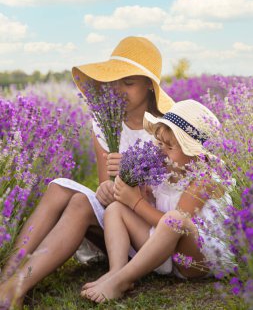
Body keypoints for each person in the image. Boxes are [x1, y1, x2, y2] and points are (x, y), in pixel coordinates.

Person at [0, 36, 174, 308]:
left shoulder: (165, 130)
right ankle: (6, 277)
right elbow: (107, 189)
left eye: (128, 83)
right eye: (115, 82)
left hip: (149, 232)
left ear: (149, 87)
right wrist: (106, 188)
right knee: (58, 187)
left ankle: (16, 288)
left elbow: (168, 198)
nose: (119, 90)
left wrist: (131, 185)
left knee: (81, 202)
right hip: (117, 223)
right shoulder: (105, 123)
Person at [81, 99, 233, 303]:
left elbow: (173, 224)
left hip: (196, 259)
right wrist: (140, 194)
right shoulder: (165, 174)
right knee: (116, 208)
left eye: (169, 147)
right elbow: (152, 209)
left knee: (175, 220)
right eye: (160, 144)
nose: (161, 151)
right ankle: (117, 271)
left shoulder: (204, 180)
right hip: (165, 253)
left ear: (197, 155)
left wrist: (136, 203)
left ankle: (121, 280)